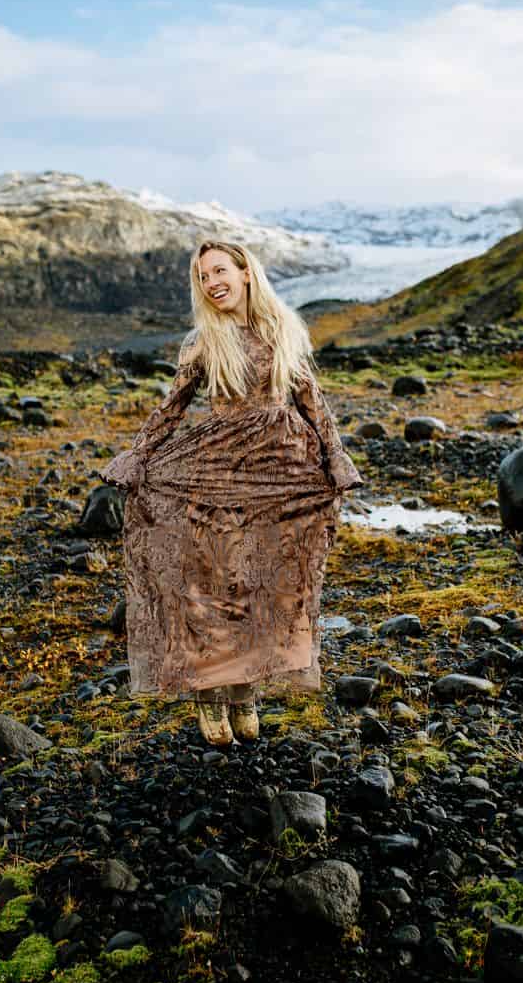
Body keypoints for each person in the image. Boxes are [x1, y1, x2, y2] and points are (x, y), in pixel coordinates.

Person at [98, 239, 362, 746]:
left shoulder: (282, 330)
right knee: (216, 583)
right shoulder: (202, 342)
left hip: (281, 471)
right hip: (219, 471)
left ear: (245, 272)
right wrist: (138, 455)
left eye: (220, 270)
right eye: (203, 277)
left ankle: (245, 690)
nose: (212, 282)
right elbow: (172, 409)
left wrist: (334, 456)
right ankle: (210, 693)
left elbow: (312, 400)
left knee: (267, 582)